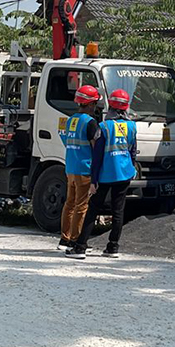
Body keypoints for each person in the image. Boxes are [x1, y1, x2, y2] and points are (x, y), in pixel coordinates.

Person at [67, 89, 137, 259]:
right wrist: (132, 169)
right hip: (124, 173)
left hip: (106, 175)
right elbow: (132, 151)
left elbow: (97, 156)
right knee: (118, 211)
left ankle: (80, 247)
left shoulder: (103, 127)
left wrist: (94, 180)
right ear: (126, 107)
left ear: (111, 107)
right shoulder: (132, 126)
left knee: (92, 209)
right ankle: (113, 247)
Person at [57, 85, 102, 250]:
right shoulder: (90, 123)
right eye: (95, 103)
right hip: (84, 168)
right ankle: (75, 240)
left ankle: (64, 238)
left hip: (71, 167)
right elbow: (95, 146)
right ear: (90, 104)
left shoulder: (71, 120)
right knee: (81, 205)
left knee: (69, 203)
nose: (95, 107)